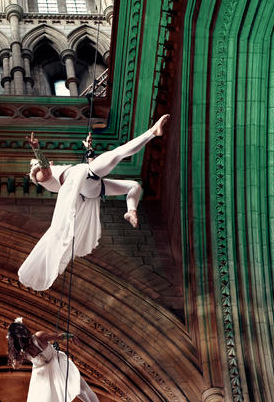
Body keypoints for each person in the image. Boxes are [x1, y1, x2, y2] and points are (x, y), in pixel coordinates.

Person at [18, 115, 170, 291]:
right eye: (45, 163)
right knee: (117, 153)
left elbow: (93, 166)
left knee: (133, 186)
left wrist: (89, 149)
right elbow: (45, 170)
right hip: (87, 183)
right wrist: (37, 150)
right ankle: (152, 132)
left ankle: (131, 210)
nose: (50, 162)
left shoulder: (60, 171)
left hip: (91, 185)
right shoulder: (41, 176)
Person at [6, 318, 113, 402]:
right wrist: (70, 336)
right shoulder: (38, 337)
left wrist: (14, 355)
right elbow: (59, 336)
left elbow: (16, 365)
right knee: (81, 387)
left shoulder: (23, 352)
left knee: (69, 391)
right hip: (56, 363)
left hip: (46, 374)